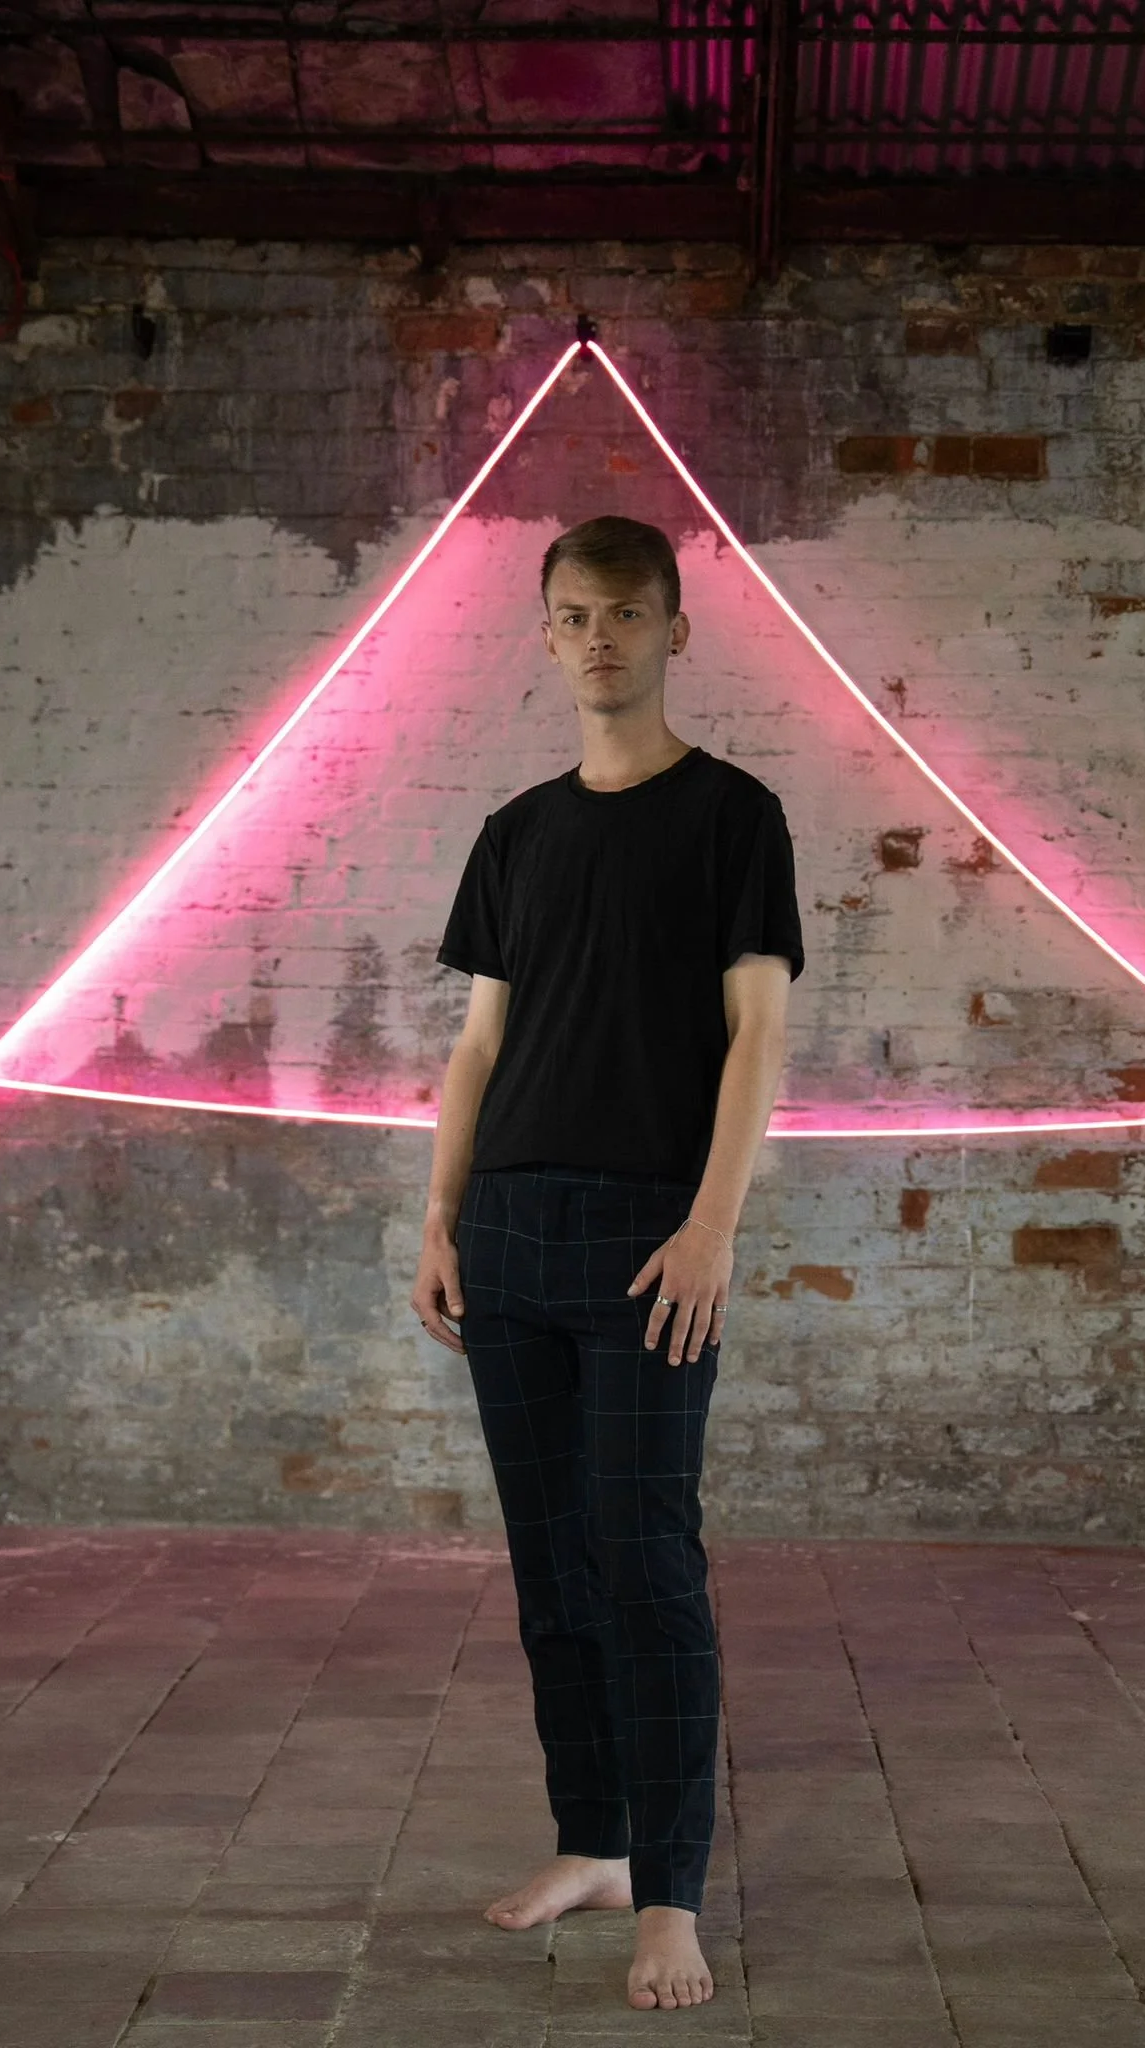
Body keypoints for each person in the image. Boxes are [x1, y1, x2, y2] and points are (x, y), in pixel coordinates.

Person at [410, 513, 805, 2012]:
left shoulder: (732, 817)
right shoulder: (515, 833)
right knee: (551, 1570)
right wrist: (439, 1217)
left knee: (648, 1568)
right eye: (573, 615)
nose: (598, 639)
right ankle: (594, 1840)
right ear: (546, 632)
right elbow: (478, 1043)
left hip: (651, 1237)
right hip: (507, 1232)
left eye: (626, 614)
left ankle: (674, 1895)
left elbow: (759, 1032)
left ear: (672, 631)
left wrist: (712, 1226)